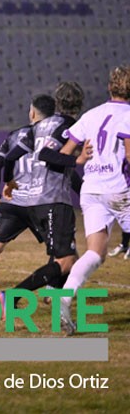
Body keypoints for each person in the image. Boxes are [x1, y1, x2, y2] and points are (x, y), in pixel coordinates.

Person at [0, 82, 88, 314]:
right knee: (67, 261)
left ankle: (54, 295)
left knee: (68, 255)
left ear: (57, 102)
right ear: (80, 104)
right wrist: (75, 161)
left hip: (34, 200)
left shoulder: (37, 127)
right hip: (54, 199)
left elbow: (10, 157)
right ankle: (14, 295)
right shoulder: (71, 126)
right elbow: (49, 155)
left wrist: (9, 182)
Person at [0, 95, 57, 309]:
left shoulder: (15, 135)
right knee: (58, 248)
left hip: (13, 201)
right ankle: (51, 292)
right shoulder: (57, 137)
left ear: (32, 113)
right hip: (40, 201)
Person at [58, 66, 130, 335]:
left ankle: (63, 299)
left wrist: (79, 159)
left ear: (110, 87)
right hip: (121, 189)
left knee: (95, 252)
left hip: (92, 189)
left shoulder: (92, 115)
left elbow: (65, 152)